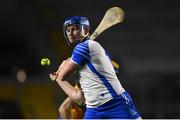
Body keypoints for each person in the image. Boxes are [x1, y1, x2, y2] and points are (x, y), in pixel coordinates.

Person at [50, 16, 141, 119]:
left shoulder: (84, 47)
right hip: (94, 110)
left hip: (115, 103)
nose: (70, 33)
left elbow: (62, 76)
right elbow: (79, 99)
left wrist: (61, 69)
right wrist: (58, 78)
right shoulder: (81, 69)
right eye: (68, 30)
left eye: (75, 29)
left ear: (86, 30)